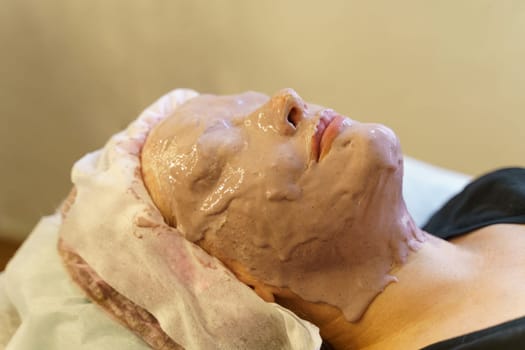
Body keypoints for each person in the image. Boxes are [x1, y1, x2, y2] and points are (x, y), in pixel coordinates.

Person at [140, 88, 525, 349]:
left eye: (249, 102)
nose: (285, 99)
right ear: (232, 282)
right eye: (219, 156)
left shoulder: (494, 195)